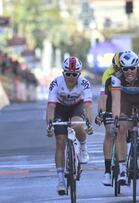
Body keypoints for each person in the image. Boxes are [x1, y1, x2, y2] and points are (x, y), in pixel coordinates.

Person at [46, 56, 93, 195]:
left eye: (74, 74)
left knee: (77, 125)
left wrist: (89, 123)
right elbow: (50, 107)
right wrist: (49, 124)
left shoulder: (84, 83)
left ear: (79, 74)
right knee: (60, 141)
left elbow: (88, 105)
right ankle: (60, 180)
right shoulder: (56, 83)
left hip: (76, 107)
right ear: (63, 73)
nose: (71, 77)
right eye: (68, 74)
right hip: (60, 108)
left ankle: (83, 147)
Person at [111, 50, 139, 185]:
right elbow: (115, 101)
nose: (129, 71)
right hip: (125, 99)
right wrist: (116, 119)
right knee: (121, 129)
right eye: (125, 69)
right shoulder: (116, 77)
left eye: (132, 68)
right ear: (121, 68)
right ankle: (122, 168)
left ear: (137, 66)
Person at [95, 52, 123, 186]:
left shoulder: (131, 73)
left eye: (121, 69)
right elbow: (103, 96)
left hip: (126, 100)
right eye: (116, 69)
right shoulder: (108, 74)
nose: (119, 72)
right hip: (111, 100)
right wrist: (101, 113)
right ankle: (107, 171)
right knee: (110, 132)